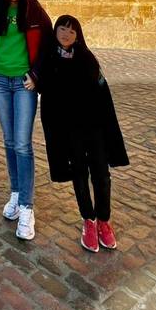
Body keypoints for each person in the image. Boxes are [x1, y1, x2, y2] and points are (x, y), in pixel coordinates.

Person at [35, 14, 129, 253]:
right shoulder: (49, 60)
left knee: (101, 174)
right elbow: (45, 90)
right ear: (55, 32)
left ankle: (104, 221)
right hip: (70, 131)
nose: (66, 34)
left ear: (78, 35)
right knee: (79, 173)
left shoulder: (87, 59)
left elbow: (102, 92)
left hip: (94, 127)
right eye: (62, 29)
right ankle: (88, 220)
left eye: (71, 31)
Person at [0, 0, 52, 241]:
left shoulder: (33, 11)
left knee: (22, 144)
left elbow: (47, 45)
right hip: (0, 83)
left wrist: (36, 75)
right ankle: (17, 193)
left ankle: (27, 208)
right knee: (9, 142)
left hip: (23, 84)